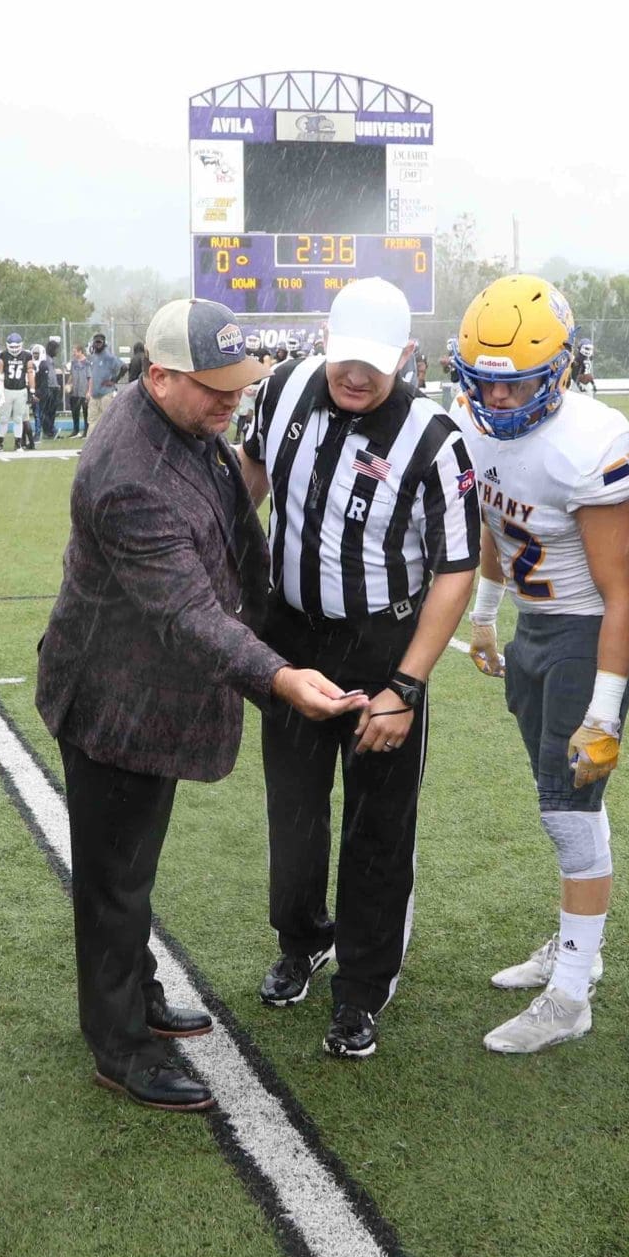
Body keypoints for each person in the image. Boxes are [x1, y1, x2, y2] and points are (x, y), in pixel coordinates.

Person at [37, 297, 367, 1109]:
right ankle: (118, 1043)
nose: (231, 401)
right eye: (213, 387)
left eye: (238, 386)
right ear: (158, 375)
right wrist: (280, 676)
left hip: (149, 691)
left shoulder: (181, 424)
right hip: (113, 701)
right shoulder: (128, 478)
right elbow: (187, 612)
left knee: (132, 868)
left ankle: (137, 990)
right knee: (114, 879)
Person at [240, 277, 480, 1059]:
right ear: (324, 338)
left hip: (383, 643)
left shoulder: (435, 438)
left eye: (374, 364)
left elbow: (455, 567)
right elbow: (250, 474)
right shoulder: (282, 389)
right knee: (294, 807)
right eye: (346, 357)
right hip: (292, 634)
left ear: (406, 356)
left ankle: (363, 986)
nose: (356, 376)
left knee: (379, 823)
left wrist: (406, 685)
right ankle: (302, 937)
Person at [454, 275, 629, 1055]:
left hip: (588, 630)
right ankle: (580, 948)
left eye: (519, 385)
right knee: (570, 806)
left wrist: (604, 711)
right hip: (536, 627)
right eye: (487, 386)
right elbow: (497, 525)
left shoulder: (587, 443)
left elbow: (623, 595)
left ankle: (572, 994)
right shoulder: (472, 426)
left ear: (559, 368)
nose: (500, 403)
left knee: (567, 810)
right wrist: (484, 616)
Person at [0, 332, 33, 451]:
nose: (14, 349)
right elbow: (0, 373)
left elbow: (30, 372)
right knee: (3, 419)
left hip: (21, 390)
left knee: (18, 419)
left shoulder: (27, 356)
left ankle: (18, 444)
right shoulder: (3, 355)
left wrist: (32, 390)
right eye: (11, 347)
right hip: (7, 390)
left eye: (16, 347)